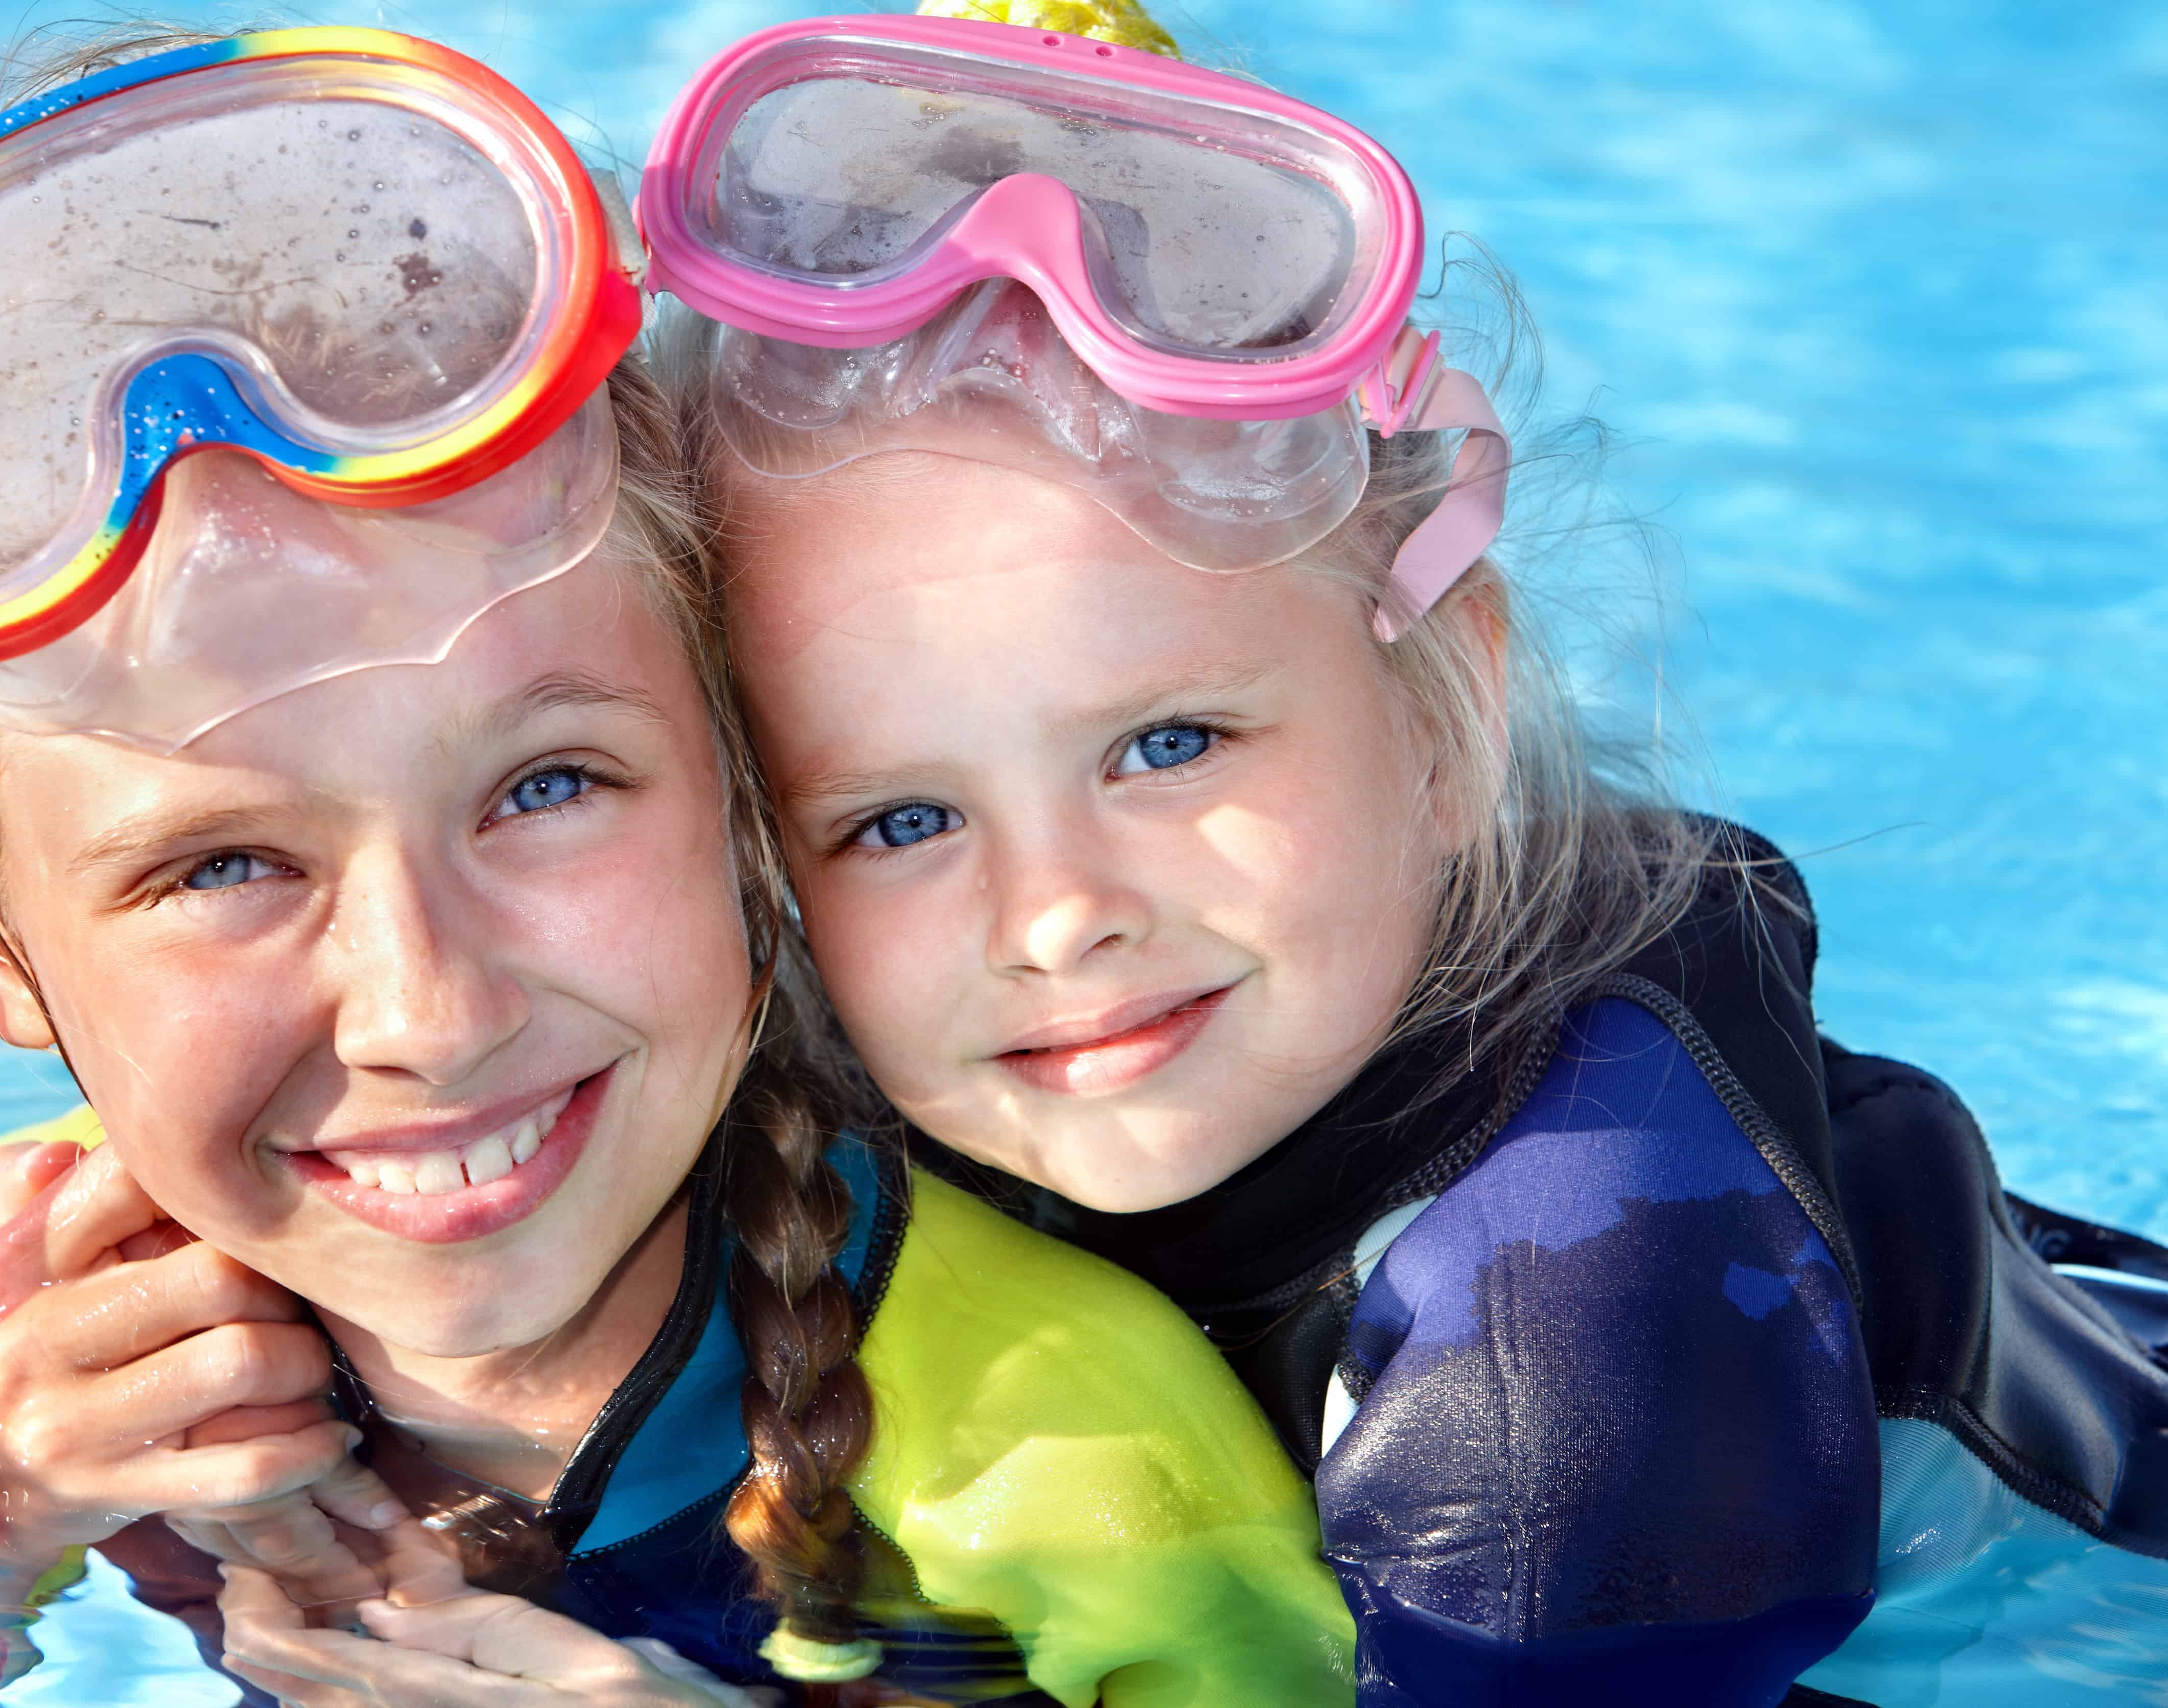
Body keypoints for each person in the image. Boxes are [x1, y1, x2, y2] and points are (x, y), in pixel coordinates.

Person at [0, 24, 1355, 1708]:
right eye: (223, 865)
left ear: (744, 802)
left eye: (546, 786)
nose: (431, 1012)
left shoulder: (1075, 1465)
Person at [642, 2, 2168, 1702]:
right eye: (902, 823)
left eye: (1168, 745)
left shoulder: (1568, 1357)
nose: (1059, 917)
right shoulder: (913, 1082)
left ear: (1445, 719)